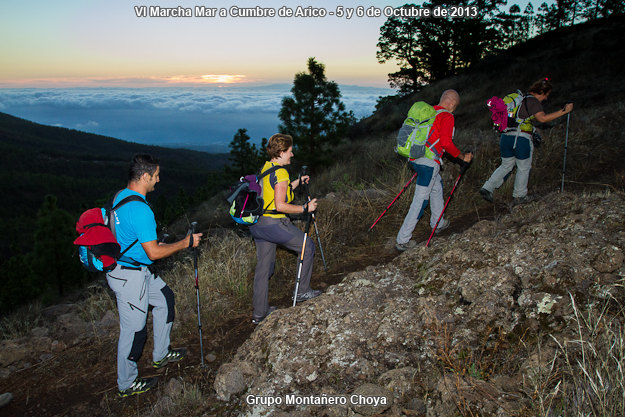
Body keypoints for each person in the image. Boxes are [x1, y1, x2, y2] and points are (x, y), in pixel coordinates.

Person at [106, 154, 202, 397]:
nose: (158, 180)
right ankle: (126, 383)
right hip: (129, 276)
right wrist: (185, 243)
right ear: (146, 176)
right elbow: (154, 252)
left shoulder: (121, 196)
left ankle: (160, 354)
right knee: (134, 330)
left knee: (164, 299)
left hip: (135, 268)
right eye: (156, 176)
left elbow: (132, 238)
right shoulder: (140, 209)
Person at [249, 134, 323, 324]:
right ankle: (303, 291)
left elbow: (277, 189)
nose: (292, 154)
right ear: (281, 152)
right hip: (274, 224)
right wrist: (304, 209)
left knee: (264, 269)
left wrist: (298, 181)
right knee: (308, 247)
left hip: (258, 225)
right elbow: (280, 205)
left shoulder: (267, 167)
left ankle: (260, 313)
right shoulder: (281, 172)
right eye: (290, 151)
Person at [395, 89, 473, 251]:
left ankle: (438, 222)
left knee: (436, 187)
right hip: (428, 162)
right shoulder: (447, 116)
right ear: (451, 103)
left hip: (414, 159)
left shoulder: (428, 112)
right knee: (420, 200)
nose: (454, 108)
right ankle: (403, 239)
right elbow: (446, 143)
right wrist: (462, 156)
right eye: (455, 105)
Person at [480, 78, 574, 204]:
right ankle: (519, 196)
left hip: (505, 137)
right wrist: (564, 111)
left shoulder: (520, 98)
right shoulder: (533, 101)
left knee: (506, 164)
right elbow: (543, 118)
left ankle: (487, 187)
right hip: (521, 140)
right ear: (541, 91)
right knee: (524, 167)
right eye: (546, 95)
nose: (545, 99)